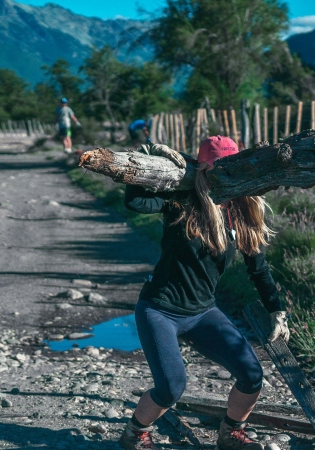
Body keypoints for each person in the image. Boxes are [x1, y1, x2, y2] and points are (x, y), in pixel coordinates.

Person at [119, 136, 290, 450]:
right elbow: (136, 202)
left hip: (203, 313)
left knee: (252, 375)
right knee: (171, 387)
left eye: (231, 165)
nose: (224, 172)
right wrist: (139, 158)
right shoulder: (181, 200)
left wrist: (276, 310)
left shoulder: (240, 212)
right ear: (202, 168)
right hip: (160, 309)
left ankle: (231, 432)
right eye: (216, 166)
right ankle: (135, 433)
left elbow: (258, 268)